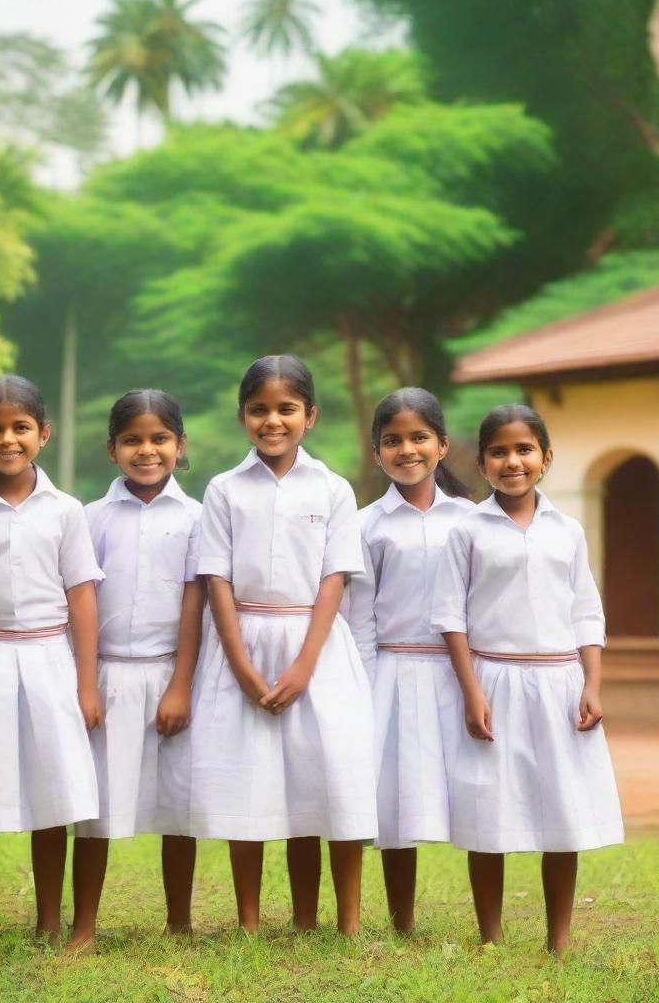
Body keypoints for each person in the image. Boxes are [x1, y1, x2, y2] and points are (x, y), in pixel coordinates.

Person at [190, 355, 377, 935]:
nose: (273, 421)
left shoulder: (333, 488)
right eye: (259, 410)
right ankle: (248, 920)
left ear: (310, 415)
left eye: (287, 409)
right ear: (243, 416)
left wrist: (303, 665)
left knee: (329, 779)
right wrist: (241, 664)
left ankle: (336, 921)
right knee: (248, 781)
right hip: (240, 643)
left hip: (316, 649)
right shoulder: (224, 489)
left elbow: (335, 580)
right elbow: (214, 578)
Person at [432, 404, 624, 954]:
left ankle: (558, 938)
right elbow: (451, 617)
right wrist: (472, 693)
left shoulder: (567, 530)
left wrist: (592, 683)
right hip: (493, 681)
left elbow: (586, 611)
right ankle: (489, 936)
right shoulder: (467, 528)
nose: (512, 461)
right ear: (482, 461)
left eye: (524, 450)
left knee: (560, 811)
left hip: (560, 683)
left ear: (545, 457)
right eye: (499, 451)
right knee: (488, 810)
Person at [0, 375, 102, 946]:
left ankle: (49, 918)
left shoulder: (65, 510)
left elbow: (81, 597)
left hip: (49, 657)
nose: (9, 439)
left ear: (43, 434)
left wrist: (86, 685)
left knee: (51, 791)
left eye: (21, 427)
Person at [70, 390, 204, 948]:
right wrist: (85, 684)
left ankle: (179, 920)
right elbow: (77, 600)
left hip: (174, 674)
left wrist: (181, 685)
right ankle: (83, 924)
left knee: (178, 805)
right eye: (132, 440)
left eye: (158, 439)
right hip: (107, 675)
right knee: (95, 806)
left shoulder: (199, 518)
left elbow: (197, 603)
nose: (146, 450)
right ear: (111, 449)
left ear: (179, 445)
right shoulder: (89, 517)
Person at [343, 388, 473, 934]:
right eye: (392, 441)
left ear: (442, 445)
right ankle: (402, 920)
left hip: (460, 671)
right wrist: (365, 689)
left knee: (474, 788)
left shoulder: (471, 519)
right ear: (377, 453)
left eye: (419, 437)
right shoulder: (366, 524)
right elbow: (359, 615)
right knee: (392, 799)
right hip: (392, 671)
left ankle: (488, 918)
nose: (406, 450)